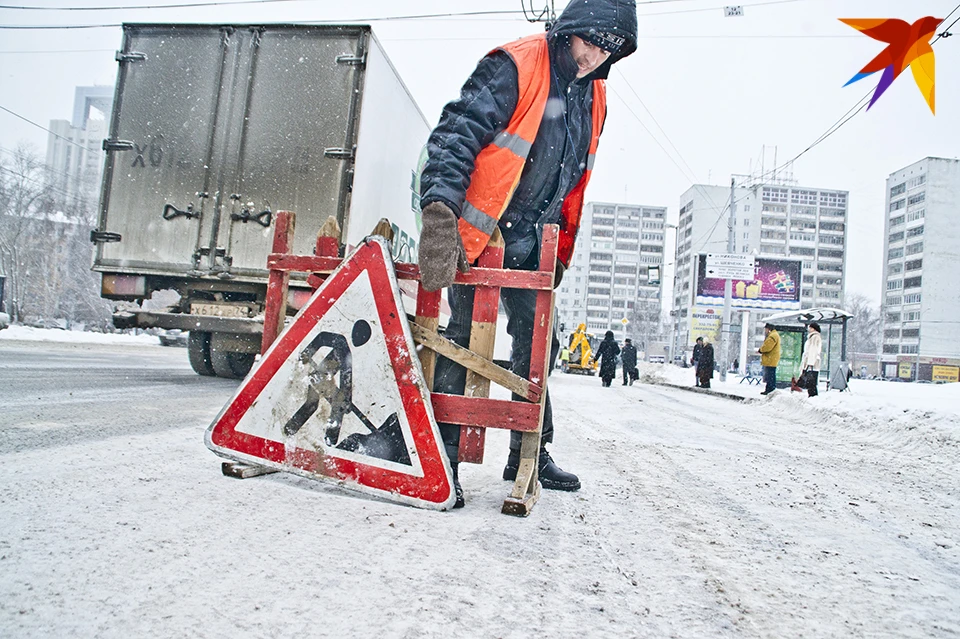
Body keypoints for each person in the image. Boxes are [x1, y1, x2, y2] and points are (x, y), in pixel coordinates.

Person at [416, 0, 639, 507]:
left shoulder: (595, 95)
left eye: (608, 50)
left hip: (534, 242)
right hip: (484, 236)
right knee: (463, 340)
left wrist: (560, 245)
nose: (594, 57)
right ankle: (444, 451)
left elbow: (572, 179)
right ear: (572, 30)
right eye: (591, 43)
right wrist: (440, 209)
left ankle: (529, 453)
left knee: (540, 345)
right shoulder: (516, 65)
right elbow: (456, 136)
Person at [800, 322, 822, 397]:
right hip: (812, 361)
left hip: (812, 362)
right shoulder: (813, 337)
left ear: (813, 328)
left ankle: (813, 395)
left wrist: (809, 363)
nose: (809, 329)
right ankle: (812, 394)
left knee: (811, 381)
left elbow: (813, 350)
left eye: (810, 328)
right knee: (811, 381)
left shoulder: (814, 337)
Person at [758, 323, 781, 395]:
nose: (765, 330)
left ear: (768, 329)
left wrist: (760, 350)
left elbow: (767, 347)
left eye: (766, 329)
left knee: (770, 375)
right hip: (772, 358)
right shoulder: (775, 335)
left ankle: (770, 389)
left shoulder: (772, 336)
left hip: (770, 358)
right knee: (770, 374)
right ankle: (769, 389)